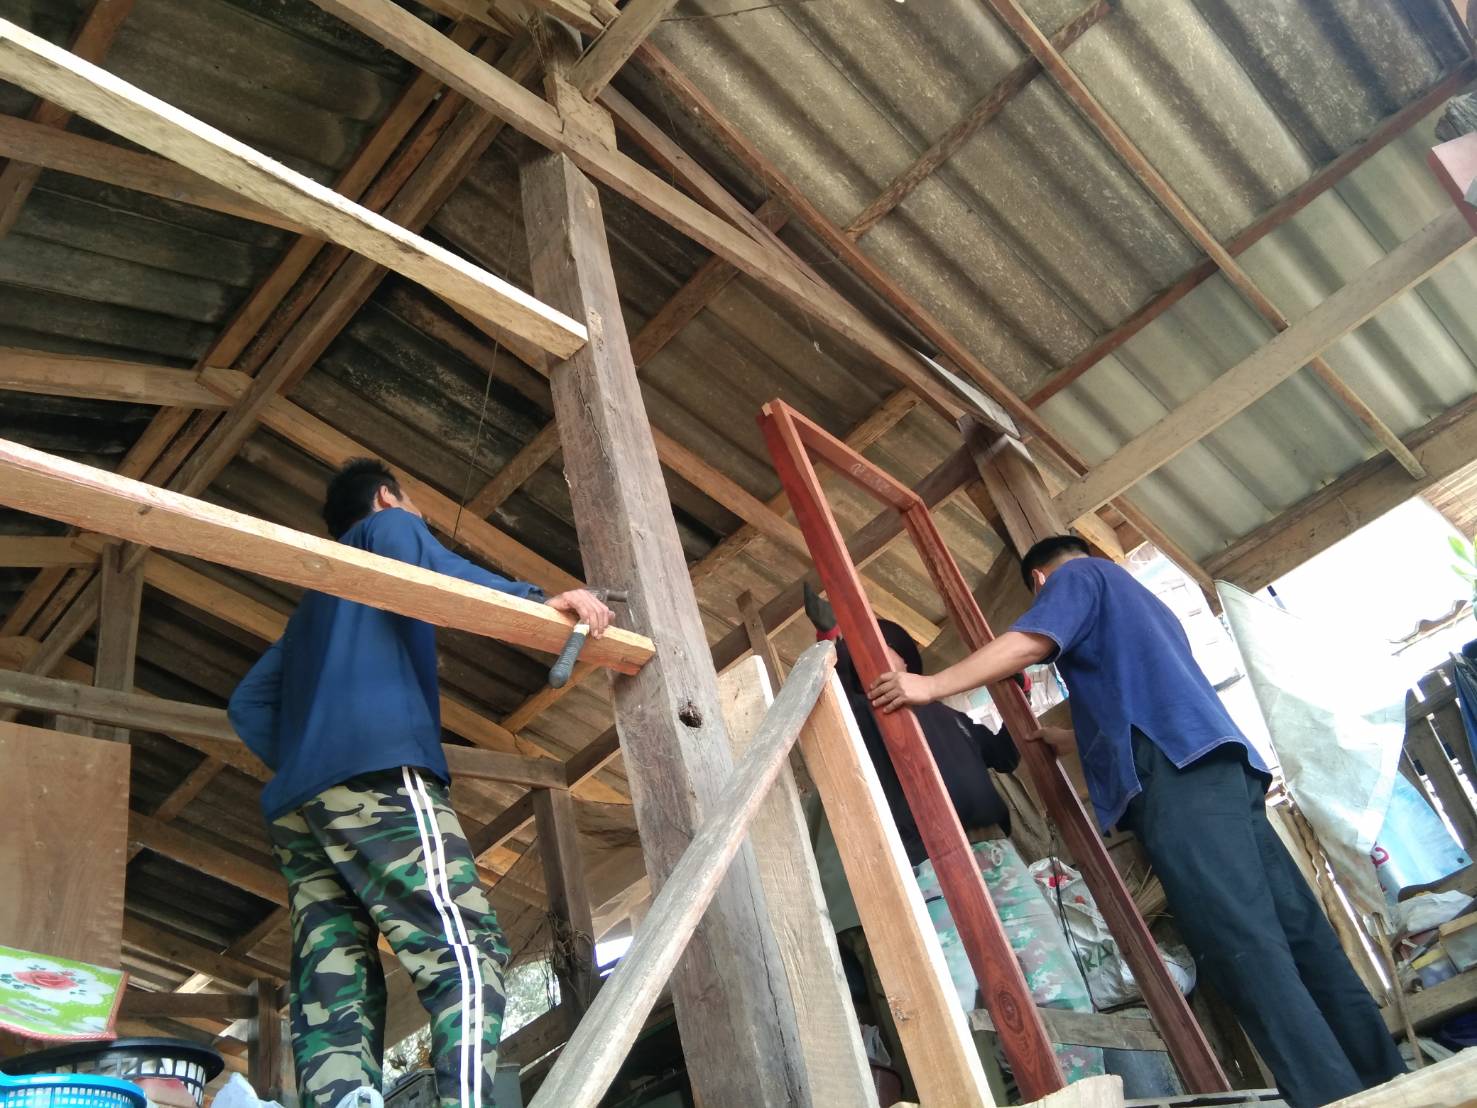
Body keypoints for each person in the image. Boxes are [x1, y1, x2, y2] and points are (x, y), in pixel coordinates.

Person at [869, 535, 1407, 1108]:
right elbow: (1138, 698)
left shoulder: (1076, 578)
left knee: (1240, 945)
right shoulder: (1145, 603)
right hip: (1221, 766)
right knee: (1301, 936)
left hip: (1176, 776)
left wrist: (931, 685)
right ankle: (1385, 1081)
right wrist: (1068, 739)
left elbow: (1030, 642)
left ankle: (1327, 1096)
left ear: (1040, 582)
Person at [229, 458, 611, 1108]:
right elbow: (430, 564)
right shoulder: (387, 530)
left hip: (300, 804)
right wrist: (532, 601)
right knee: (467, 952)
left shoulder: (313, 607)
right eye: (412, 507)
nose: (419, 521)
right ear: (386, 498)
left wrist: (311, 757)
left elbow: (248, 704)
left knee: (334, 977)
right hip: (377, 772)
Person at [809, 595, 1103, 1087]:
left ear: (906, 661)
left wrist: (1017, 693)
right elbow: (828, 695)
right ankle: (976, 1091)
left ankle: (1081, 1089)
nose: (873, 655)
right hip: (927, 865)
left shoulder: (954, 718)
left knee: (1053, 978)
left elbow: (1004, 754)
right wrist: (830, 642)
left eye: (883, 646)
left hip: (995, 856)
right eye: (861, 650)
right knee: (954, 994)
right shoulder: (857, 716)